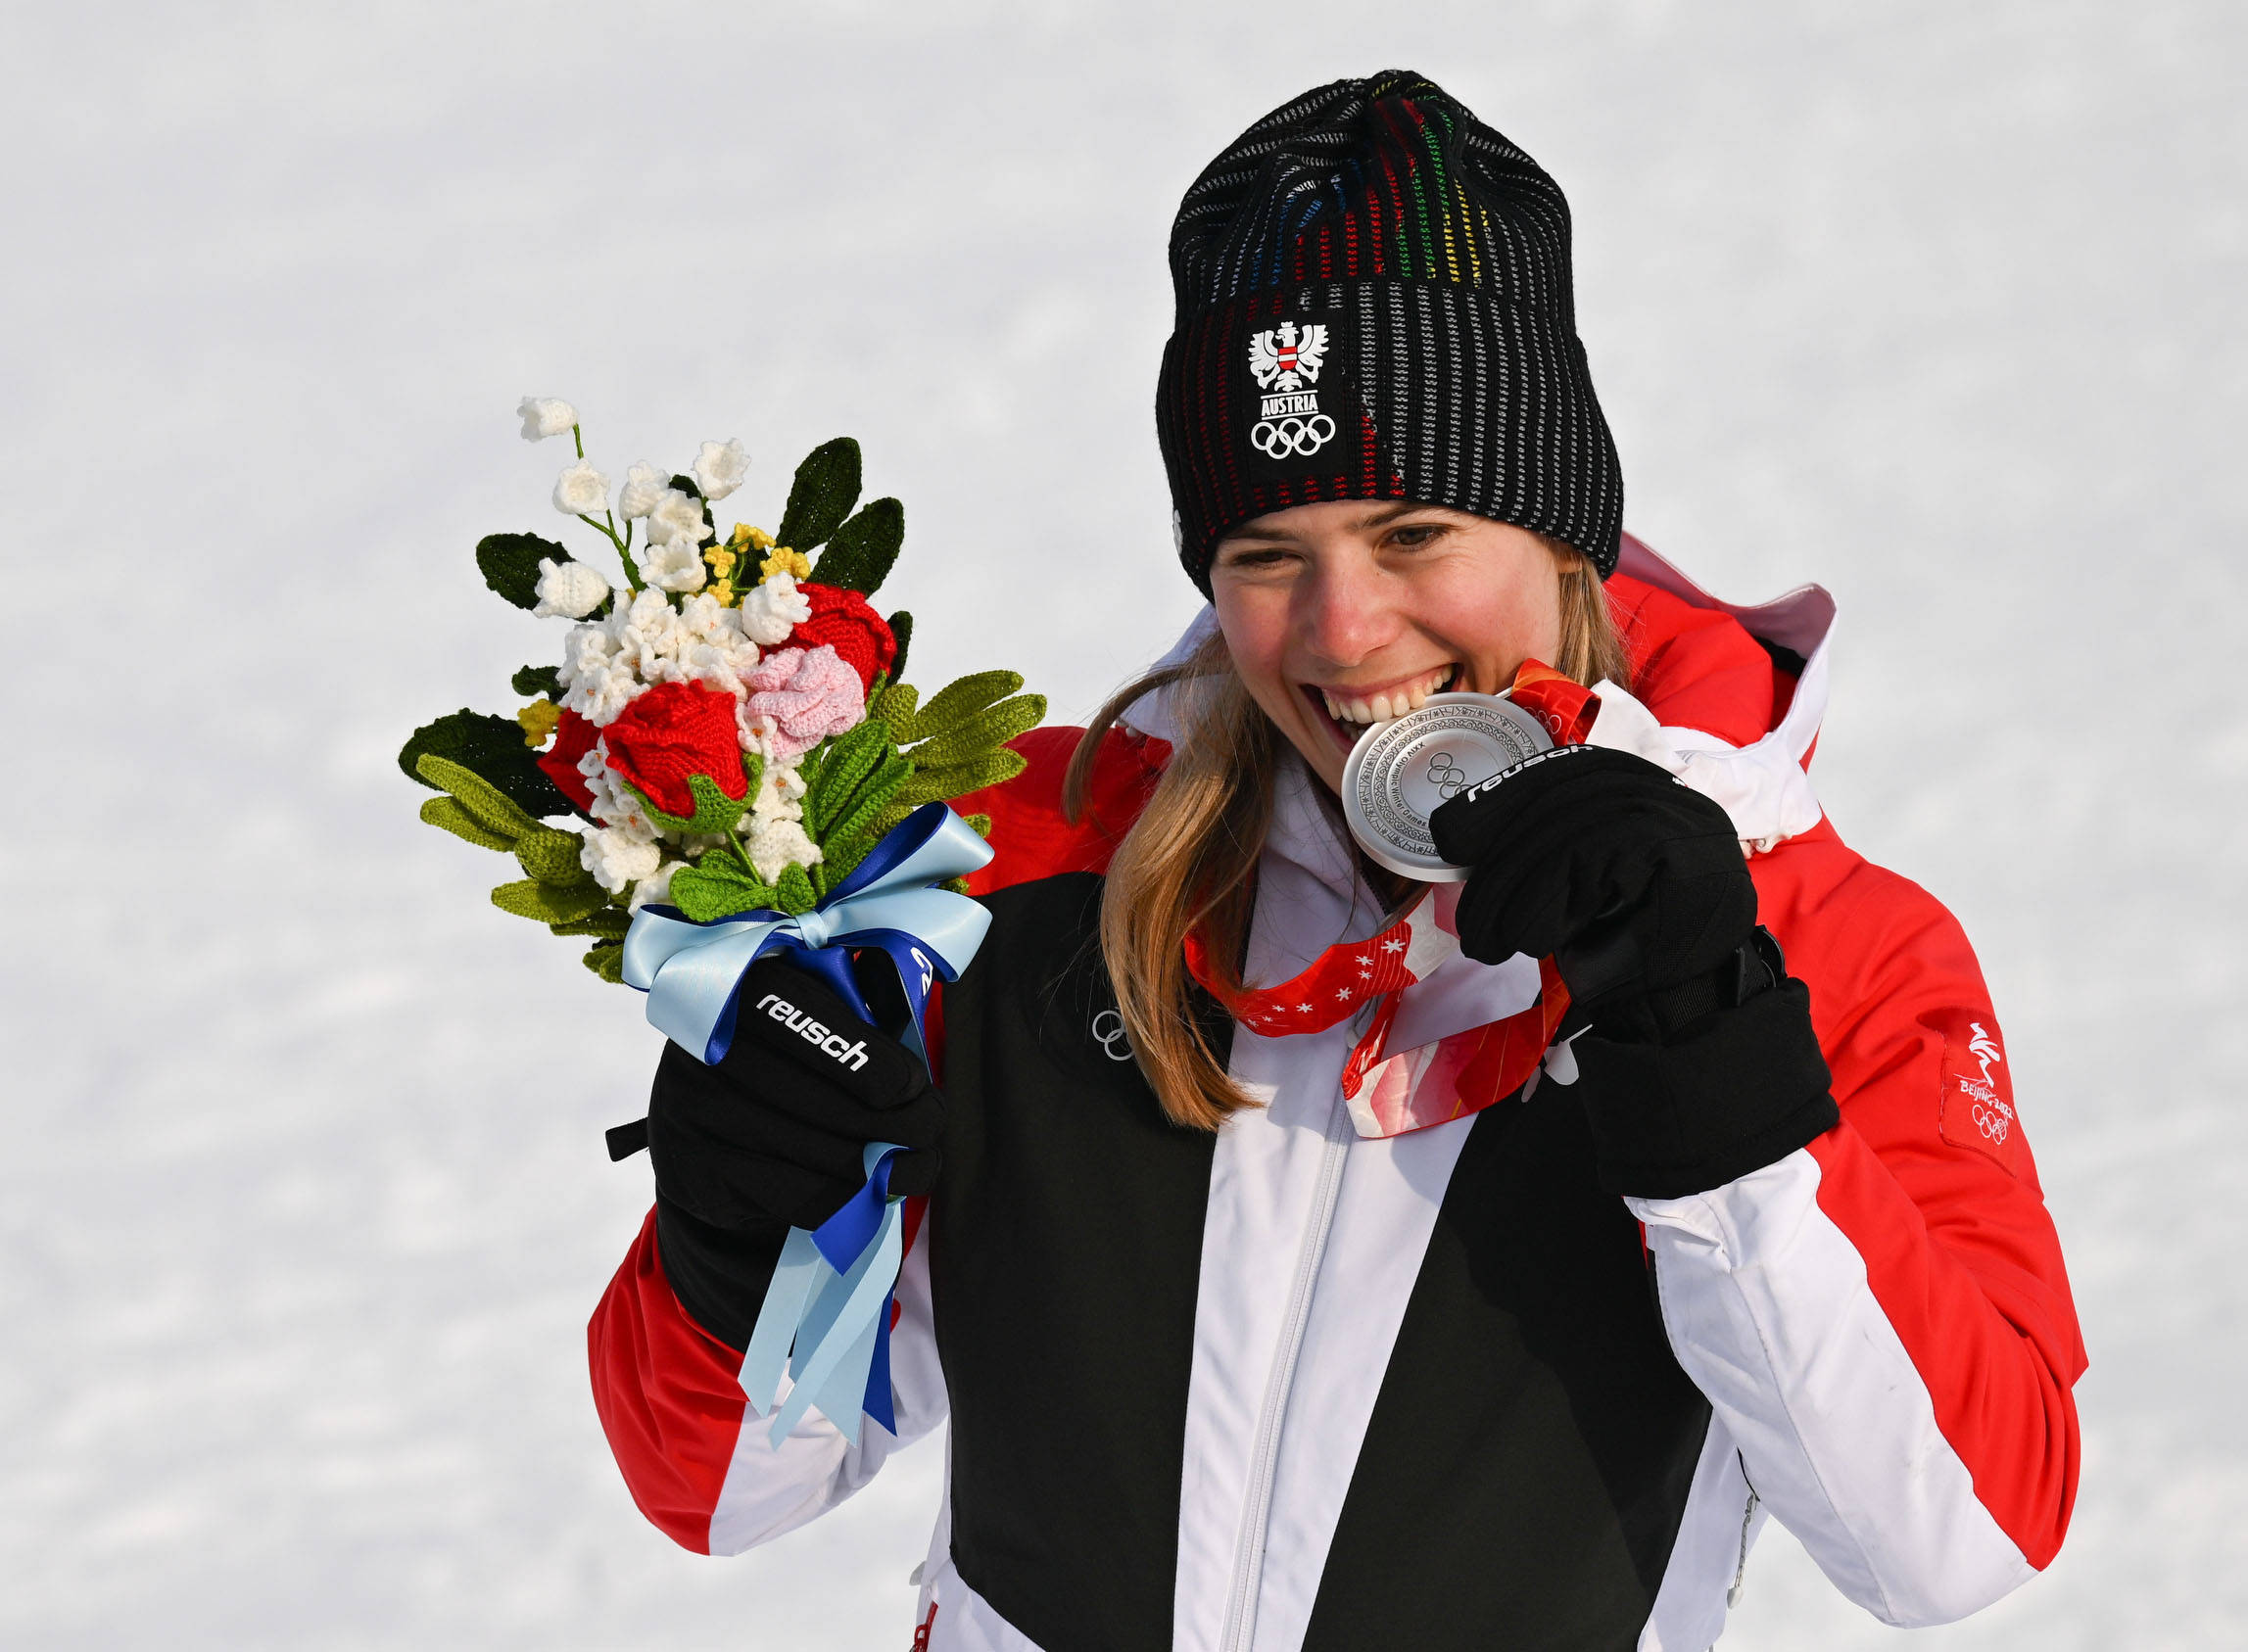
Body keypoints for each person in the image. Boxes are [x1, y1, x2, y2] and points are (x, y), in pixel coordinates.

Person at [587, 71, 2083, 1651]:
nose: (1345, 629)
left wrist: (1711, 1062)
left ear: (1561, 531)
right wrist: (740, 1221)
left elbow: (1954, 1540)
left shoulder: (1813, 940)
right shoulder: (1021, 872)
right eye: (1266, 555)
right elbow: (719, 1485)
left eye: (1416, 532)